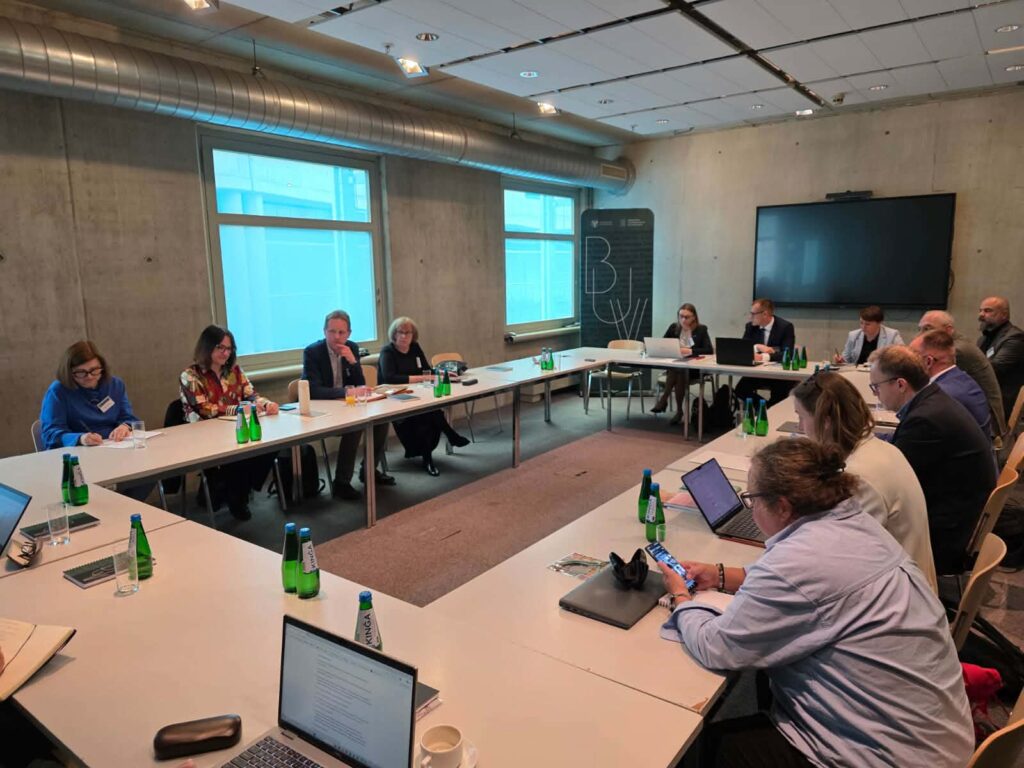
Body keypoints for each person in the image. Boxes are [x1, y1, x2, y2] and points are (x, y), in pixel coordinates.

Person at [659, 439, 973, 768]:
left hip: (886, 757)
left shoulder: (795, 563)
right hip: (934, 739)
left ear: (782, 507)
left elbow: (717, 647)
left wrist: (682, 597)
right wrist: (722, 575)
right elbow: (812, 585)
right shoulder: (855, 523)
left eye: (752, 499)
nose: (750, 508)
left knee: (704, 747)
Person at [791, 372, 937, 591]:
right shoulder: (881, 450)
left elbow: (841, 559)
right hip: (900, 581)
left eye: (801, 417)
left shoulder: (861, 478)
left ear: (826, 421)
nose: (800, 428)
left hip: (899, 596)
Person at [871, 346, 996, 574]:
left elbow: (890, 481)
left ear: (900, 384)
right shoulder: (932, 401)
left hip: (946, 534)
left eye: (876, 387)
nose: (875, 394)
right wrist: (866, 439)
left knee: (863, 522)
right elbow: (900, 443)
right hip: (958, 512)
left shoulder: (926, 419)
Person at [180, 325, 279, 520]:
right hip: (204, 435)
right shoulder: (190, 376)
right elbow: (204, 409)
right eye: (220, 347)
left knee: (270, 444)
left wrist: (266, 404)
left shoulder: (234, 371)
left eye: (229, 348)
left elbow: (251, 395)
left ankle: (235, 489)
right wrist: (239, 409)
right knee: (240, 453)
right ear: (207, 347)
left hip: (236, 429)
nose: (225, 353)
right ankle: (234, 493)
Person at [302, 310, 395, 500]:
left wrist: (353, 362)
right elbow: (314, 390)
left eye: (341, 332)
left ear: (349, 333)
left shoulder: (351, 347)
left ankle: (368, 470)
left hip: (347, 406)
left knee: (382, 420)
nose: (337, 337)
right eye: (332, 331)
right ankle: (341, 482)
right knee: (356, 425)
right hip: (323, 410)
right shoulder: (312, 352)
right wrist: (346, 392)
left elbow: (360, 384)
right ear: (324, 331)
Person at [377, 317, 469, 476]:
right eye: (400, 332)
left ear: (413, 335)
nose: (404, 336)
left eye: (408, 333)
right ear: (394, 334)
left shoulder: (415, 348)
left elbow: (427, 369)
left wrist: (444, 374)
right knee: (427, 415)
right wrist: (423, 378)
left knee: (430, 411)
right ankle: (444, 442)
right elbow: (390, 378)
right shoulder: (388, 351)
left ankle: (437, 450)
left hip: (417, 395)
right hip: (394, 399)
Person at [919, 309, 1006, 438]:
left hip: (986, 425)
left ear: (948, 330)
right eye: (920, 329)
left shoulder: (956, 351)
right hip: (973, 414)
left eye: (927, 329)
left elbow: (931, 387)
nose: (921, 335)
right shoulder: (955, 344)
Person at [40, 340, 138, 449]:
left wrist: (125, 427)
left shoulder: (115, 385)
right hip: (79, 450)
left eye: (94, 370)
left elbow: (129, 418)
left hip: (115, 446)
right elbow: (50, 434)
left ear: (102, 368)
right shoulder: (58, 391)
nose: (89, 377)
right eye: (81, 372)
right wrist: (81, 438)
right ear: (69, 372)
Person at [910, 330, 992, 436]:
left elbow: (916, 437)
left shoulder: (941, 395)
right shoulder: (959, 379)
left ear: (928, 362)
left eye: (912, 357)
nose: (908, 363)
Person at [651, 303, 713, 425]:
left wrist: (689, 350)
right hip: (676, 366)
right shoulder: (674, 328)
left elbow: (708, 350)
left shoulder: (701, 329)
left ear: (694, 317)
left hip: (694, 368)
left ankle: (665, 400)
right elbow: (662, 344)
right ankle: (678, 411)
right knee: (678, 371)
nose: (683, 320)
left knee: (678, 371)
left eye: (687, 317)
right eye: (681, 316)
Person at [734, 298, 796, 407]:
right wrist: (757, 346)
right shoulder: (750, 327)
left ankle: (770, 411)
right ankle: (766, 409)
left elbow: (788, 354)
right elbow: (743, 349)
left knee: (780, 396)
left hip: (778, 374)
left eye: (753, 314)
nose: (750, 317)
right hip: (757, 373)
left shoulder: (785, 327)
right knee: (741, 390)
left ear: (765, 314)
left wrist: (764, 357)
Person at [978, 295, 1024, 422]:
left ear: (1004, 315)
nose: (981, 315)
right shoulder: (984, 338)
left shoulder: (1015, 338)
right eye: (980, 310)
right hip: (986, 398)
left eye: (988, 311)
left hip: (1003, 403)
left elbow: (994, 369)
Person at [834, 305, 904, 364]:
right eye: (861, 323)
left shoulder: (892, 335)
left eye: (868, 324)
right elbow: (846, 359)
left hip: (881, 372)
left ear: (879, 323)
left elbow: (903, 357)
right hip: (856, 372)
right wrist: (841, 360)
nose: (863, 327)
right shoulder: (853, 335)